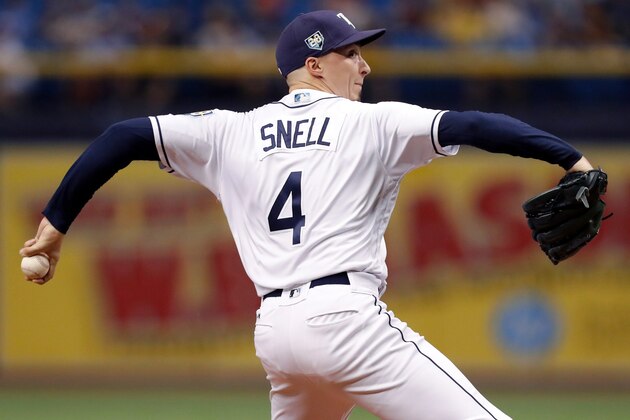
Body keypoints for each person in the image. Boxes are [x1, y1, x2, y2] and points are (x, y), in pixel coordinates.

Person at [20, 10, 595, 420]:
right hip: (345, 322)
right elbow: (474, 125)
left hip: (277, 334)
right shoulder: (373, 123)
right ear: (315, 65)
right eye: (352, 53)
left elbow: (122, 136)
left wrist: (54, 225)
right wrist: (570, 158)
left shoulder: (230, 130)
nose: (364, 66)